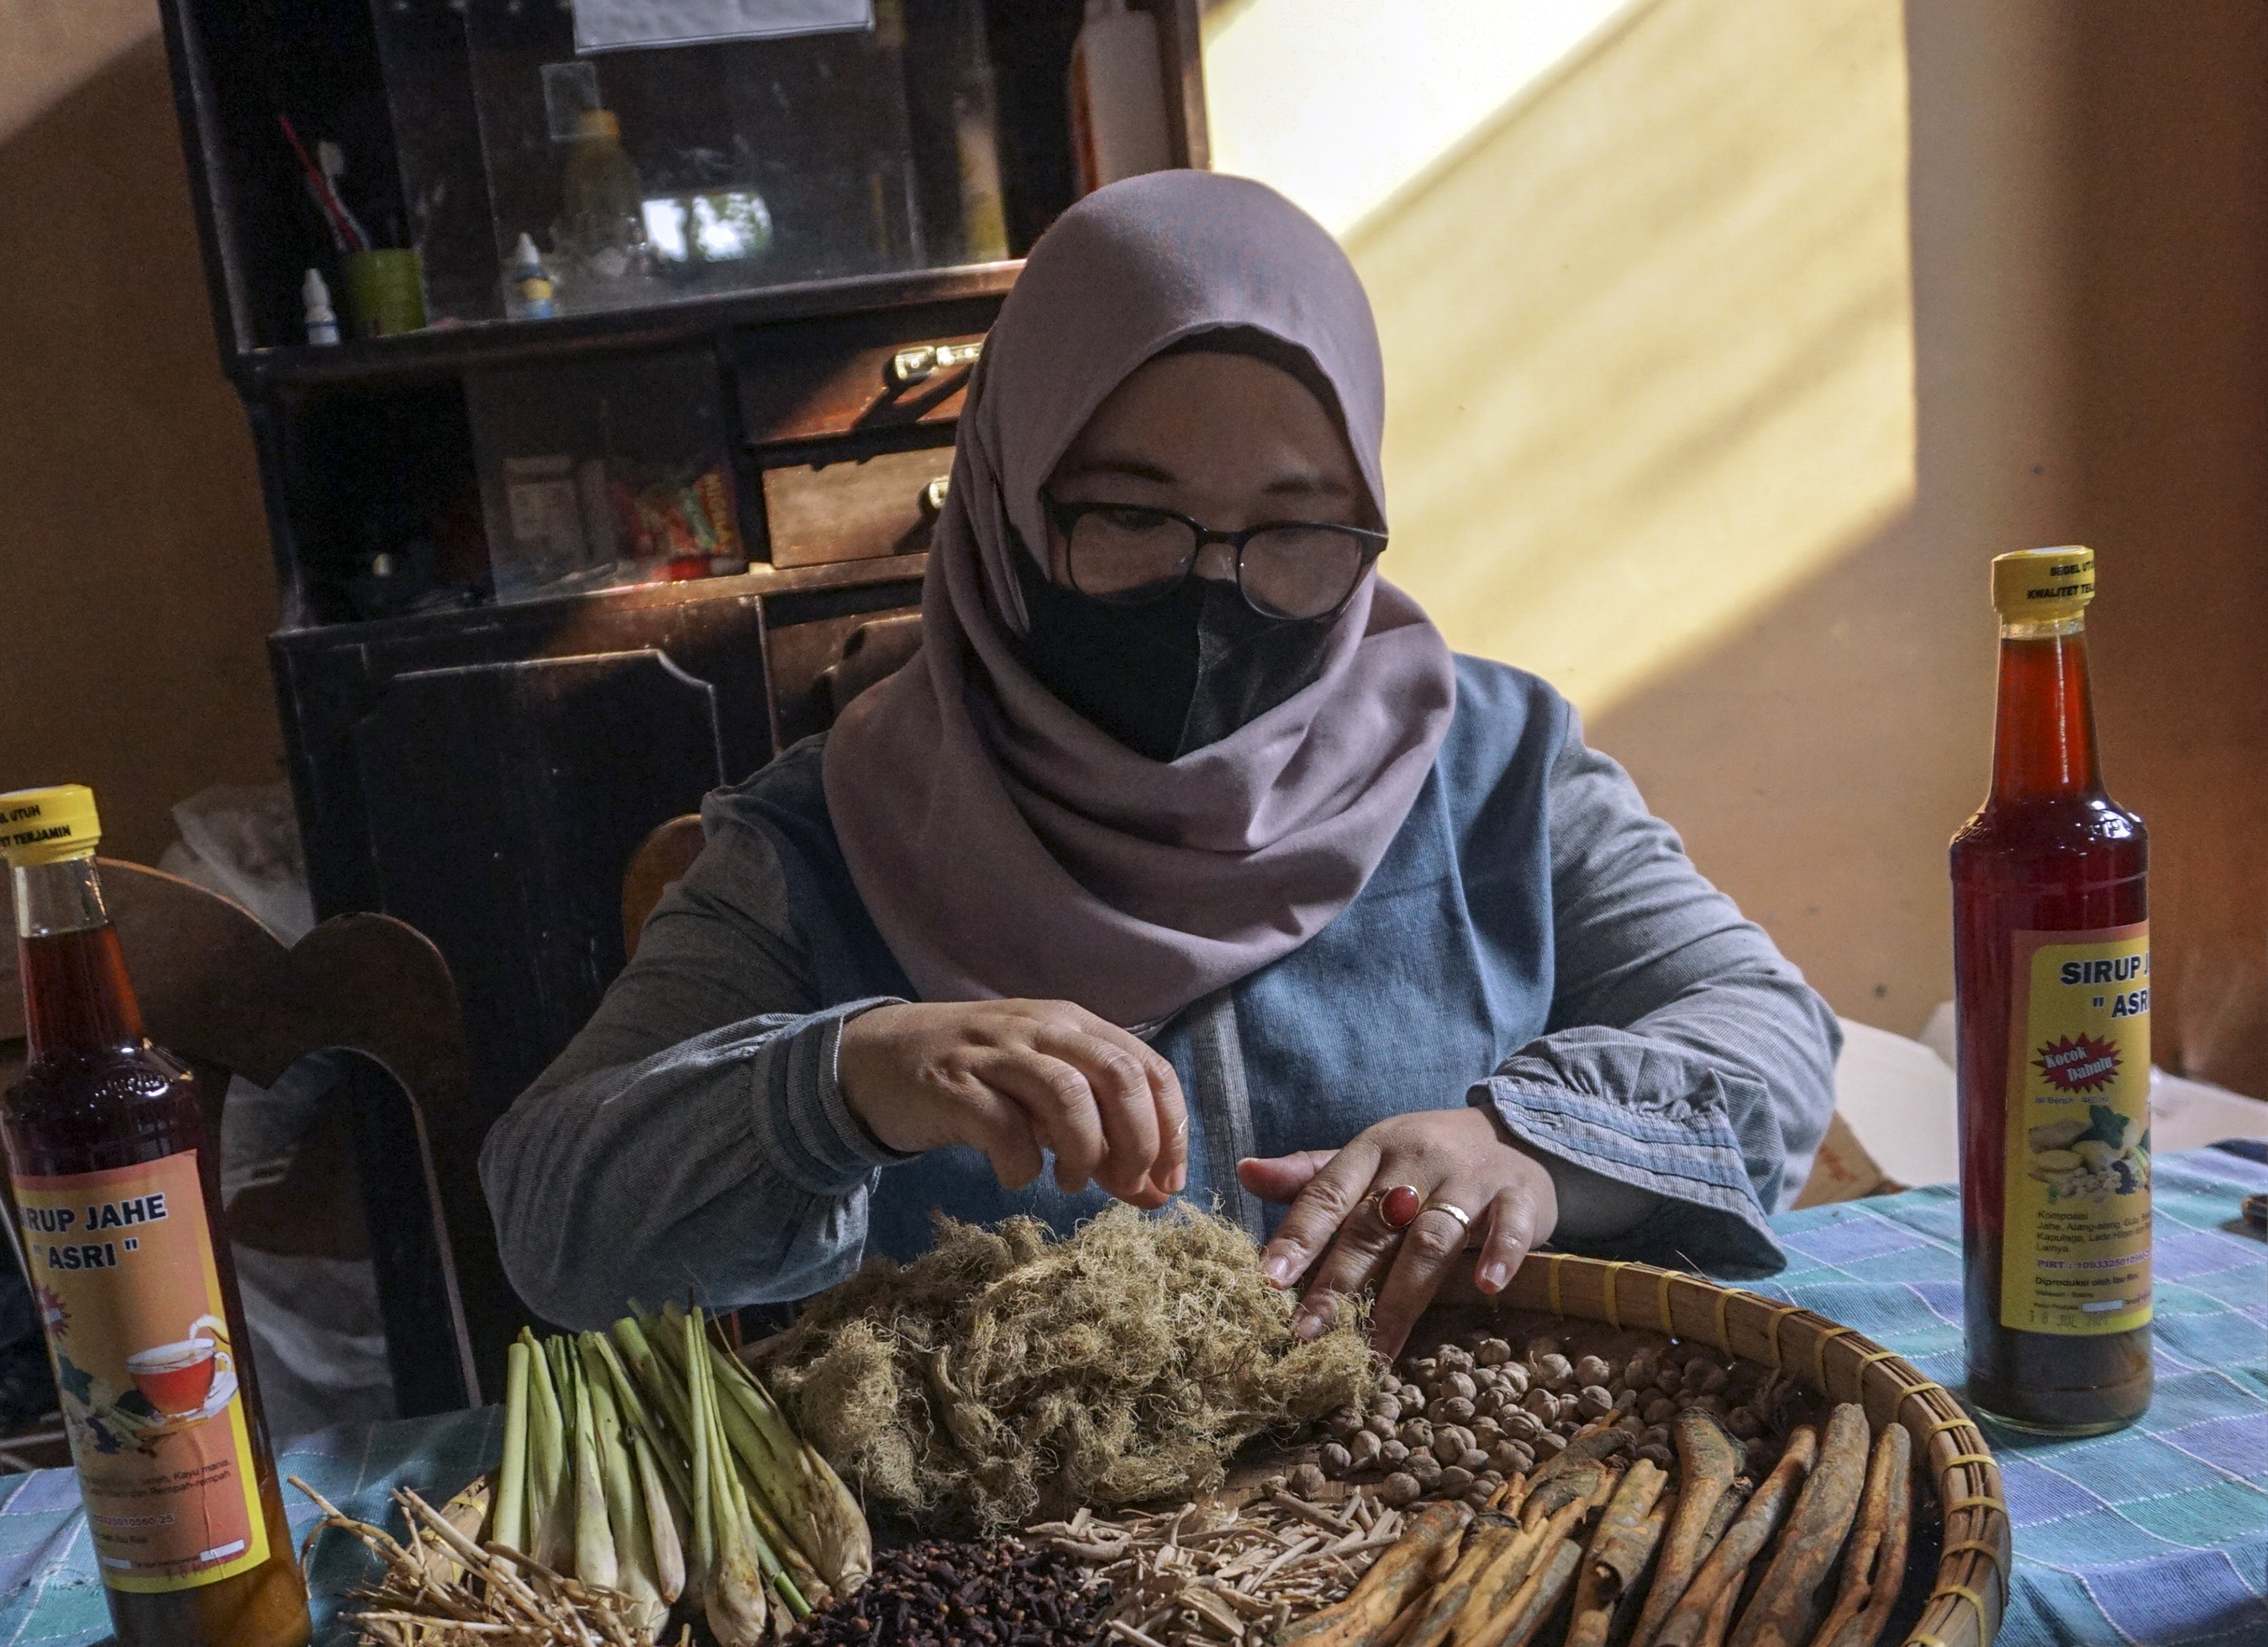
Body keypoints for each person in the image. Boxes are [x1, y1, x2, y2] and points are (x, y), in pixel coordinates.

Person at [485, 172, 1839, 1359]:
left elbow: (1766, 1037)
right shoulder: (825, 839)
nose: (1214, 592)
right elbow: (553, 1218)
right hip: (1038, 1594)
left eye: (1297, 528)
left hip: (1456, 1542)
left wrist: (1525, 1144)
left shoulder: (1493, 766)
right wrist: (846, 1077)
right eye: (1132, 513)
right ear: (1012, 499)